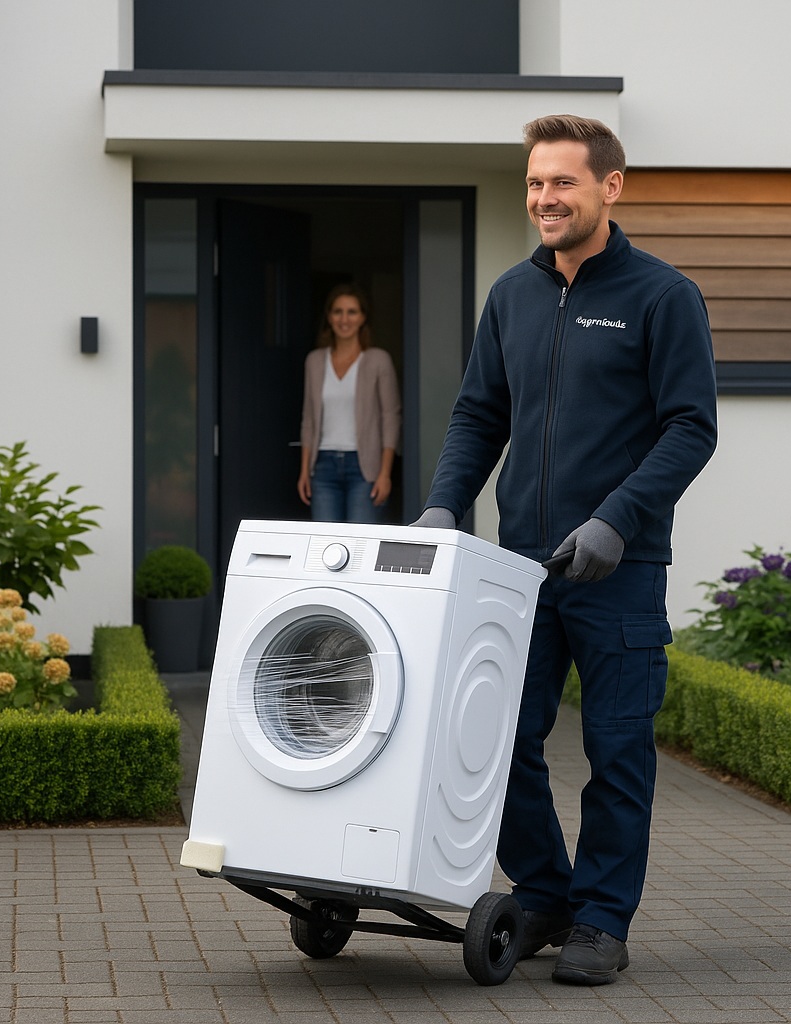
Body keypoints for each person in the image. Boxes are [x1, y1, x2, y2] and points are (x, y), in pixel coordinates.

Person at [413, 115, 717, 985]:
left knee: (618, 751)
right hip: (519, 570)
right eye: (535, 184)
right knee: (499, 738)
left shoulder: (662, 296)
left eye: (563, 183)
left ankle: (603, 922)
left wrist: (618, 519)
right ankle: (545, 893)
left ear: (610, 187)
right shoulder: (511, 293)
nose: (545, 198)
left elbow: (691, 428)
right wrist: (444, 504)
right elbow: (480, 413)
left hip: (619, 569)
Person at [298, 284, 401, 523]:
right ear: (329, 317)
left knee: (360, 545)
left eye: (352, 312)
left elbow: (391, 417)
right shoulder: (314, 361)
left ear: (363, 317)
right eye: (338, 311)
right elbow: (309, 420)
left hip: (365, 468)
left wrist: (385, 473)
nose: (345, 319)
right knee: (324, 546)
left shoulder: (378, 360)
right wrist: (305, 471)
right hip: (322, 467)